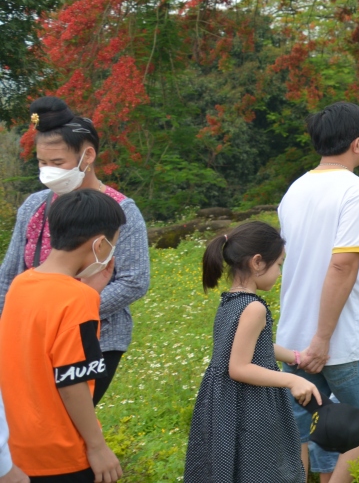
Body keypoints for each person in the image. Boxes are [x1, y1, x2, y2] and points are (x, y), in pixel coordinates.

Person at [0, 96, 151, 407]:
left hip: (96, 337)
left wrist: (69, 313)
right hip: (31, 337)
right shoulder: (34, 206)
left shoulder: (121, 210)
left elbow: (134, 280)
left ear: (88, 156)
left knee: (67, 422)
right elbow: (9, 276)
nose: (48, 171)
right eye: (42, 163)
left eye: (58, 163)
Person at [277, 102, 359, 483]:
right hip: (344, 341)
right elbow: (343, 265)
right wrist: (323, 339)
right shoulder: (357, 191)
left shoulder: (294, 190)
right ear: (358, 143)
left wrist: (311, 340)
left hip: (295, 337)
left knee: (311, 429)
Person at [0, 188, 126, 482]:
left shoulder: (22, 283)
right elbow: (72, 381)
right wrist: (97, 447)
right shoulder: (77, 300)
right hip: (61, 454)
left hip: (17, 446)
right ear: (99, 244)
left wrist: (88, 291)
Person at [187, 221, 320, 483]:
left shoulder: (229, 301)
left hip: (223, 401)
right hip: (250, 404)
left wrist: (294, 357)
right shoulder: (253, 307)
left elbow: (251, 346)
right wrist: (292, 379)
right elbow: (239, 367)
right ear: (258, 262)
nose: (280, 272)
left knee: (232, 469)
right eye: (279, 264)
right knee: (262, 470)